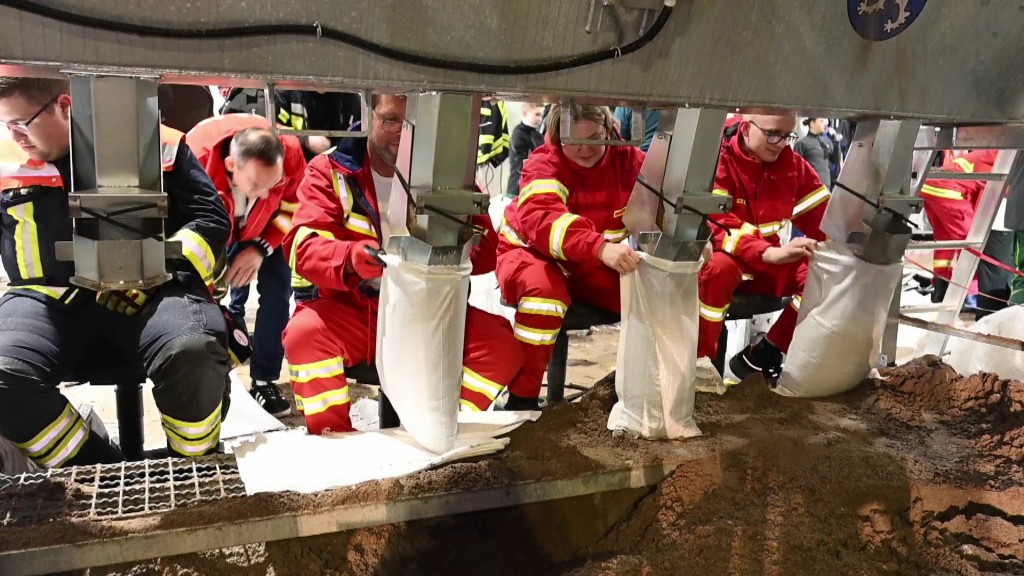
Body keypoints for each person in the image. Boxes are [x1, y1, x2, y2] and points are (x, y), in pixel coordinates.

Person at [0, 76, 232, 467]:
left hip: (155, 294)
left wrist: (158, 270)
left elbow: (209, 220)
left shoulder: (157, 142)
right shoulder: (8, 161)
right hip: (46, 301)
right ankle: (98, 472)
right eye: (7, 124)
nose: (15, 136)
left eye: (23, 122)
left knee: (192, 352)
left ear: (65, 104)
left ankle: (193, 468)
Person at [282, 94, 523, 434]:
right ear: (368, 116)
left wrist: (462, 206)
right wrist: (350, 258)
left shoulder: (448, 176)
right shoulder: (330, 171)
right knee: (305, 336)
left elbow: (485, 258)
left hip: (430, 311)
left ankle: (441, 437)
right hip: (358, 311)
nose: (403, 132)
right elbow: (303, 249)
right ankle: (334, 446)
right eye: (390, 120)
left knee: (500, 347)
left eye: (414, 124)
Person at [496, 104, 645, 410]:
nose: (584, 149)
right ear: (557, 135)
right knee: (545, 296)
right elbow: (545, 219)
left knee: (647, 296)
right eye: (572, 141)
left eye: (593, 138)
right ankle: (521, 400)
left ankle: (641, 392)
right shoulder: (544, 163)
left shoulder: (627, 160)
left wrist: (695, 236)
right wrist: (600, 248)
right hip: (530, 252)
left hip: (587, 260)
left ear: (609, 129)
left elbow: (668, 195)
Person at [187, 114, 307, 417]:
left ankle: (264, 379)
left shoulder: (289, 153)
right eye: (256, 184)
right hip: (211, 228)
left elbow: (293, 206)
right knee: (202, 299)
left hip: (267, 230)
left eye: (273, 184)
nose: (266, 193)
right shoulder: (194, 162)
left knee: (279, 292)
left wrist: (260, 247)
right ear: (231, 166)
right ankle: (209, 378)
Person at [698, 114, 830, 381]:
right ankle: (701, 365)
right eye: (772, 134)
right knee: (718, 269)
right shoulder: (715, 160)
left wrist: (853, 239)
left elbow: (827, 221)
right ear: (746, 128)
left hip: (767, 264)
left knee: (825, 275)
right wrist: (769, 252)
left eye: (787, 136)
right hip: (730, 262)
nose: (780, 143)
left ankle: (765, 352)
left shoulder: (792, 166)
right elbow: (719, 224)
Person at [505, 102, 545, 199]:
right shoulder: (519, 134)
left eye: (541, 115)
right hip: (518, 190)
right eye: (537, 114)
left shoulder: (537, 135)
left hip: (529, 188)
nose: (540, 119)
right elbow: (522, 166)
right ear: (525, 113)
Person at [793, 118, 841, 189]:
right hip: (810, 186)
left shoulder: (827, 142)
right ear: (812, 123)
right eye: (821, 121)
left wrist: (837, 143)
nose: (824, 124)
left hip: (826, 184)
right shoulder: (802, 143)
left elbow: (836, 161)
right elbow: (796, 167)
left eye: (824, 122)